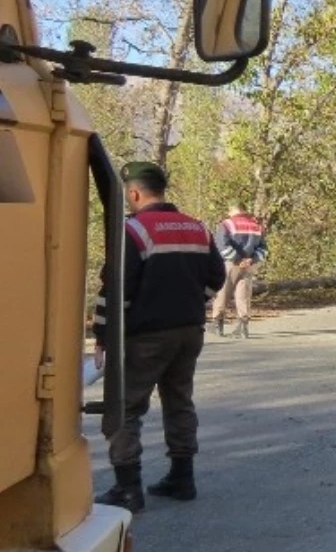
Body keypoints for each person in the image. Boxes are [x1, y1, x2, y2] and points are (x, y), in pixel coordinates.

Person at [92, 162, 226, 513]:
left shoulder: (133, 231)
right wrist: (198, 301)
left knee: (125, 408)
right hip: (188, 332)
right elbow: (217, 276)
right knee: (179, 401)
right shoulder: (197, 228)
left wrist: (103, 335)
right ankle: (182, 478)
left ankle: (128, 489)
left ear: (133, 193)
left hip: (146, 337)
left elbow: (115, 290)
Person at [211, 201, 268, 338]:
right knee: (244, 294)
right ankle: (243, 326)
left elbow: (221, 245)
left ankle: (217, 324)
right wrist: (252, 260)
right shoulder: (256, 226)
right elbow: (263, 249)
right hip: (249, 265)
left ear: (233, 211)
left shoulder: (227, 224)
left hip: (231, 263)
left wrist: (237, 259)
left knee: (222, 292)